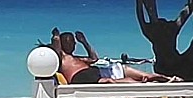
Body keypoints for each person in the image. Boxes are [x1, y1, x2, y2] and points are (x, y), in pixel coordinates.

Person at [50, 29, 180, 83]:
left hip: (94, 72)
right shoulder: (61, 57)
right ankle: (148, 85)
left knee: (144, 75)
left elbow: (94, 58)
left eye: (73, 42)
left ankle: (166, 79)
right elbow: (56, 44)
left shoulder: (77, 58)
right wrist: (56, 35)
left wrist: (84, 42)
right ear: (61, 43)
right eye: (68, 41)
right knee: (117, 82)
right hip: (82, 77)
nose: (72, 44)